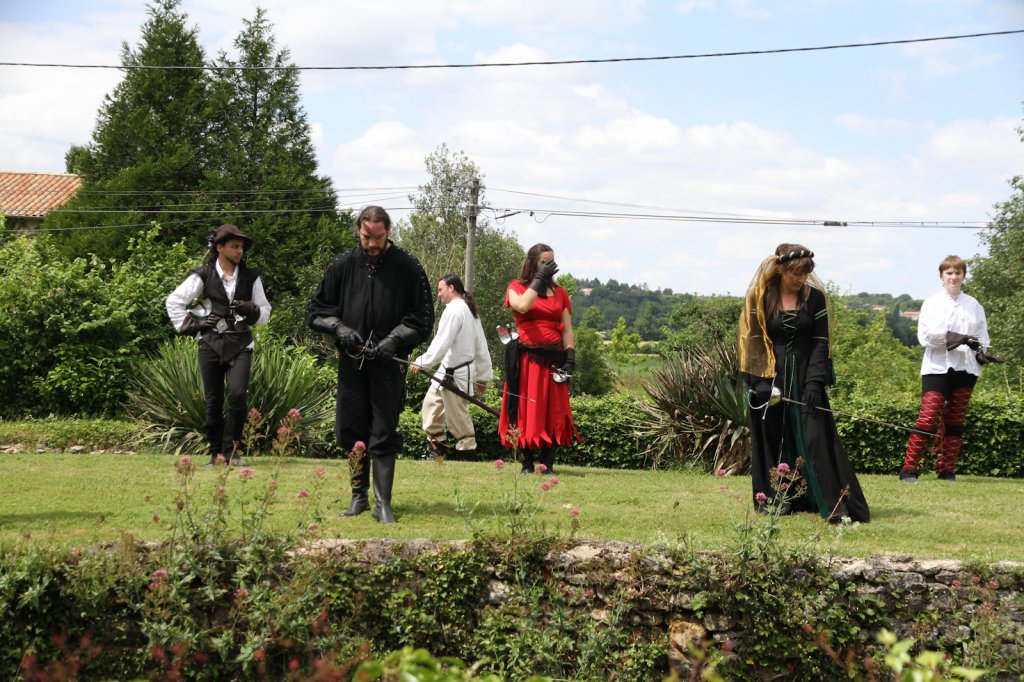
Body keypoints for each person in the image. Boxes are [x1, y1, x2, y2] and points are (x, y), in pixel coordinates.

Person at [305, 206, 433, 523]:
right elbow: (316, 312)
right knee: (352, 428)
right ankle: (358, 497)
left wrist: (394, 339)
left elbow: (422, 318)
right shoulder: (342, 265)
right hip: (352, 363)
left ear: (388, 231)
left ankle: (383, 504)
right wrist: (339, 328)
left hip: (388, 363)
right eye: (366, 237)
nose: (372, 244)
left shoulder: (407, 266)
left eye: (378, 237)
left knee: (384, 429)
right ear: (358, 231)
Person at [738, 244, 869, 522]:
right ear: (781, 270)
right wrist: (761, 381)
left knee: (815, 438)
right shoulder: (761, 296)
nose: (802, 279)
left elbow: (821, 342)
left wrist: (814, 382)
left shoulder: (815, 298)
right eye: (796, 273)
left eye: (806, 273)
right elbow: (752, 341)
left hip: (805, 375)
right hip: (771, 377)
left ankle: (832, 503)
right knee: (773, 437)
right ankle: (776, 500)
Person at [166, 223, 271, 466]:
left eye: (241, 247)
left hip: (241, 343)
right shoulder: (203, 275)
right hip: (210, 343)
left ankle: (232, 451)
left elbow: (265, 312)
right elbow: (174, 301)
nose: (239, 251)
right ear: (219, 248)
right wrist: (195, 325)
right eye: (234, 246)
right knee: (213, 401)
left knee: (238, 395)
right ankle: (216, 454)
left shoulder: (251, 277)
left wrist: (251, 309)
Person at [899, 255, 1002, 483]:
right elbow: (926, 337)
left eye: (957, 273)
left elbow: (982, 336)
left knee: (955, 421)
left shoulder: (974, 305)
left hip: (967, 368)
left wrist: (982, 352)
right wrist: (959, 338)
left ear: (963, 275)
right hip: (937, 367)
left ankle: (946, 470)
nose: (953, 277)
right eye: (949, 273)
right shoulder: (932, 303)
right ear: (941, 276)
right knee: (928, 417)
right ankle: (909, 469)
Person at [498, 243, 581, 474]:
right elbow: (523, 306)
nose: (549, 266)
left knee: (554, 410)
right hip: (528, 359)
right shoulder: (516, 288)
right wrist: (539, 279)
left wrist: (570, 357)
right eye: (544, 262)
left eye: (551, 262)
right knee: (527, 410)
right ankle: (527, 464)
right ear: (532, 263)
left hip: (555, 360)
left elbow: (567, 329)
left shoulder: (560, 292)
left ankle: (547, 464)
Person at [410, 274, 493, 460]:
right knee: (431, 407)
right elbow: (481, 346)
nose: (439, 294)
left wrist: (422, 361)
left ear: (451, 288)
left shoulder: (456, 309)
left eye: (441, 290)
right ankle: (437, 450)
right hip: (445, 371)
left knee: (458, 417)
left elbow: (443, 342)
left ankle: (467, 455)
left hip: (457, 373)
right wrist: (482, 375)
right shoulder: (464, 309)